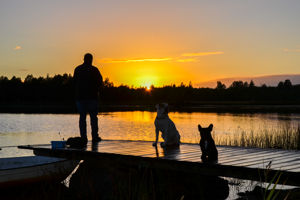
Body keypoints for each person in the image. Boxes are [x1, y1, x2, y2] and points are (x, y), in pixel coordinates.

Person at [73, 53, 103, 143]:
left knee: (85, 118)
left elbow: (74, 83)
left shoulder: (78, 69)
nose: (90, 61)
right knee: (91, 118)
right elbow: (100, 82)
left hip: (84, 98)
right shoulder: (94, 70)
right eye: (90, 59)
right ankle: (93, 137)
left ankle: (85, 137)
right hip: (89, 98)